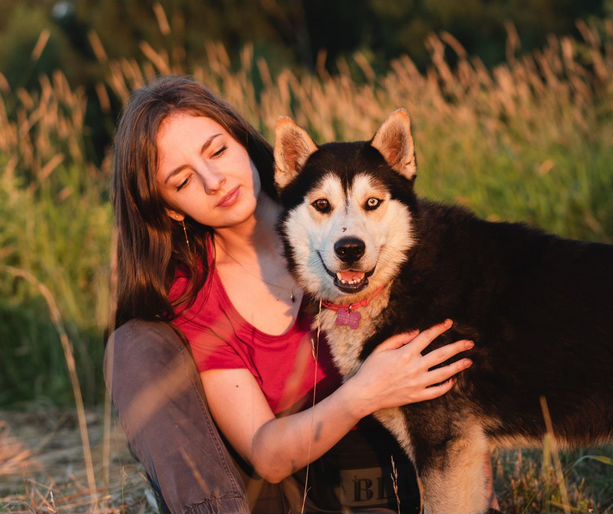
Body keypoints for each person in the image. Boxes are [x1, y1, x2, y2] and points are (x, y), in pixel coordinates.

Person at [106, 75, 475, 514]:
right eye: (182, 180)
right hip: (291, 489)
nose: (214, 181)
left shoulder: (356, 221)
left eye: (218, 151)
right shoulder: (197, 295)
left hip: (401, 467)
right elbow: (267, 453)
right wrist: (365, 391)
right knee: (132, 344)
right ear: (168, 206)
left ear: (241, 139)